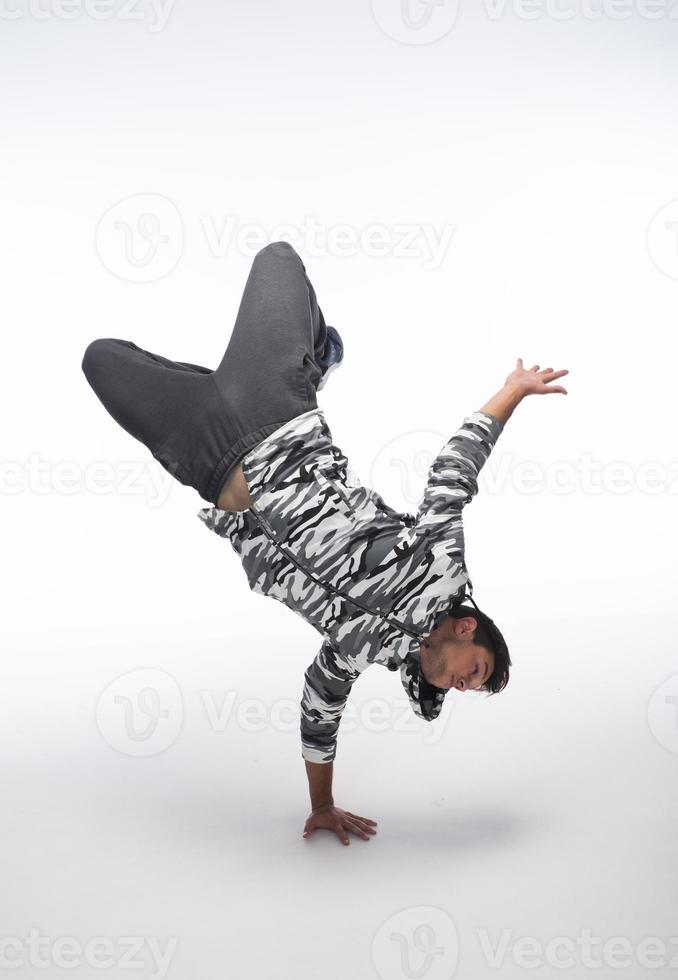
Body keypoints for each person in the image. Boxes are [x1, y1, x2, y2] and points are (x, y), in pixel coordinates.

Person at [81, 241, 569, 846]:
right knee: (277, 257)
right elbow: (452, 471)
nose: (468, 685)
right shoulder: (442, 567)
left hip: (209, 459)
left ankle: (206, 385)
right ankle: (318, 357)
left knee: (99, 358)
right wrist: (513, 392)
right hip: (278, 411)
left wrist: (323, 804)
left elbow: (319, 709)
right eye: (478, 671)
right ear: (468, 630)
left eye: (471, 687)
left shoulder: (358, 651)